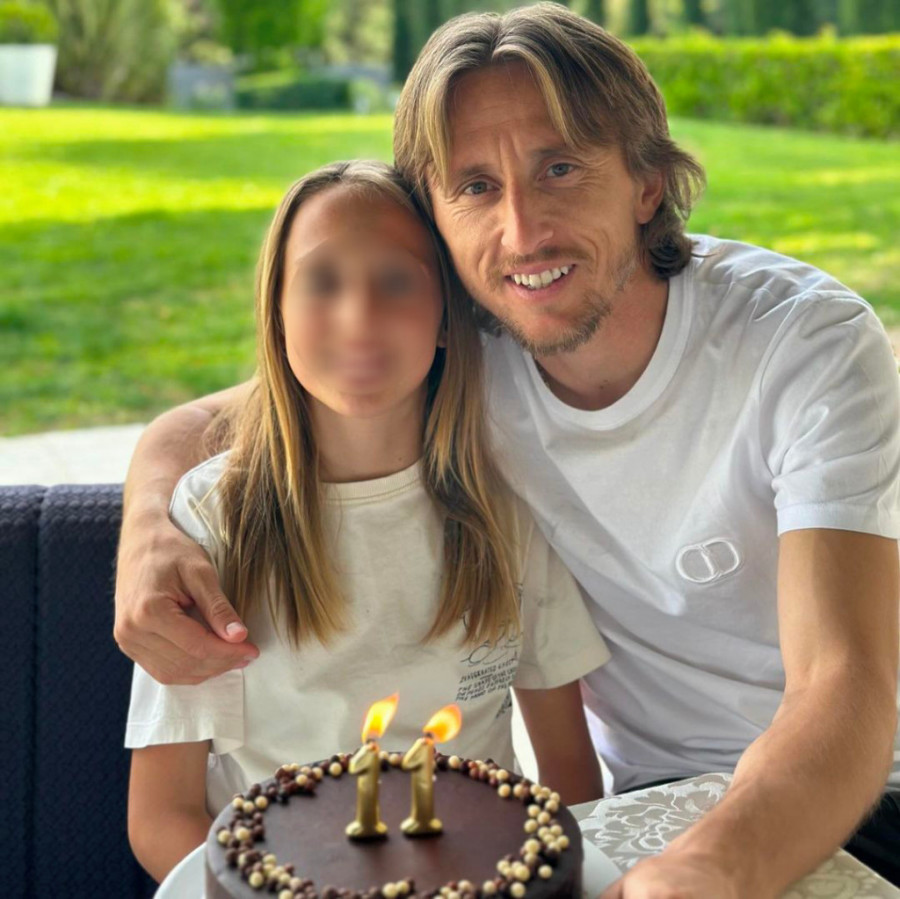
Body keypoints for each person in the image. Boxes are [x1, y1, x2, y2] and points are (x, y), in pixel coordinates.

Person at [115, 5, 900, 895]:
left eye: (559, 168)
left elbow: (843, 683)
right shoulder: (467, 349)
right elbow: (223, 421)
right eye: (476, 186)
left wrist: (705, 868)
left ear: (648, 183)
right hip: (652, 804)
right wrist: (148, 531)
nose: (523, 232)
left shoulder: (802, 342)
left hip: (856, 797)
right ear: (439, 220)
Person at [123, 160, 608, 883]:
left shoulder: (507, 508)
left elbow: (570, 774)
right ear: (276, 315)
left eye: (396, 281)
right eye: (323, 281)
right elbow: (162, 816)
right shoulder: (211, 522)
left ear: (446, 320)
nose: (359, 314)